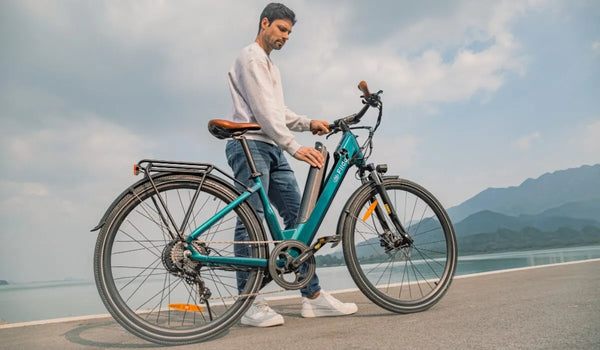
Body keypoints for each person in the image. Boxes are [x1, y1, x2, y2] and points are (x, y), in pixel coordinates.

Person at [225, 3, 358, 327]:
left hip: (271, 147)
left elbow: (277, 111)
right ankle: (248, 303)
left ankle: (312, 297)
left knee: (301, 220)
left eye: (289, 33)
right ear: (265, 23)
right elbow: (264, 112)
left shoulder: (270, 66)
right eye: (281, 29)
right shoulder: (251, 57)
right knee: (251, 221)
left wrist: (307, 122)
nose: (285, 36)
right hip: (251, 146)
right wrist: (295, 147)